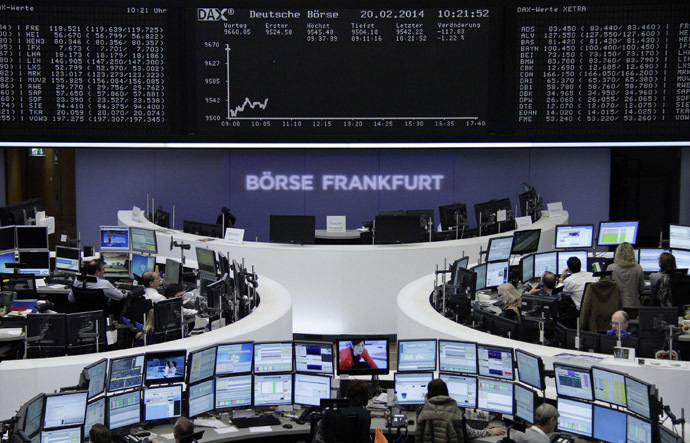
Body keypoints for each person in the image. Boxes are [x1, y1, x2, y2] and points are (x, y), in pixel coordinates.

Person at [415, 379, 505, 442]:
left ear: (428, 394)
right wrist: (491, 431)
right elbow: (470, 433)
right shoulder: (454, 411)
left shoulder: (422, 411)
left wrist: (427, 403)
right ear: (447, 393)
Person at [606, 242, 645, 309]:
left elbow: (608, 289)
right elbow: (641, 289)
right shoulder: (638, 268)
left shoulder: (611, 268)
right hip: (634, 305)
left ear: (617, 253)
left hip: (616, 305)